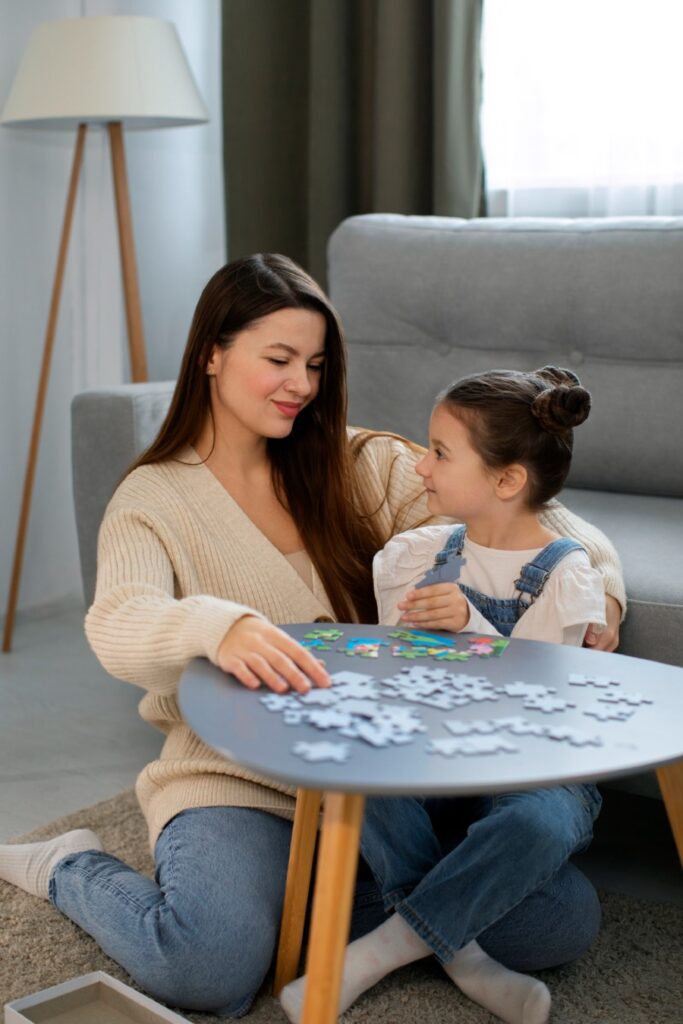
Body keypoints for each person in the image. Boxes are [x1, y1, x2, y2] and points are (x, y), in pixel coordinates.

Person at [0, 258, 624, 1019]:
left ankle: (336, 919)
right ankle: (73, 867)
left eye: (316, 365)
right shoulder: (154, 496)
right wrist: (217, 626)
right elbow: (118, 620)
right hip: (244, 781)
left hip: (386, 786)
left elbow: (532, 510)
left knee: (560, 921)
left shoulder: (360, 464)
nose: (301, 383)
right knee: (205, 969)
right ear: (212, 354)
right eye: (279, 360)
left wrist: (602, 586)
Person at [280, 366, 620, 1024]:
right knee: (358, 763)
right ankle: (461, 952)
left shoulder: (567, 576)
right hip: (433, 762)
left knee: (542, 824)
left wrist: (468, 626)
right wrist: (405, 643)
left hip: (529, 768)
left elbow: (538, 702)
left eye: (438, 452)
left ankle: (375, 950)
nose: (419, 468)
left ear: (506, 480)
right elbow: (393, 686)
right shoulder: (412, 556)